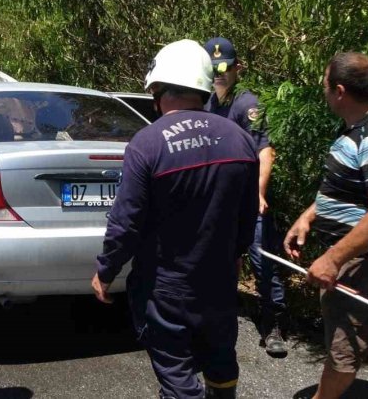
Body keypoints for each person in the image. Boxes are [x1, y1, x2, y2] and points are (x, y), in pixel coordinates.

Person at [93, 39, 259, 399]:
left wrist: (106, 270)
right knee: (220, 359)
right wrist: (230, 256)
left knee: (177, 372)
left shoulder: (147, 144)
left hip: (167, 287)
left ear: (157, 90)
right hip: (219, 280)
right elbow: (248, 220)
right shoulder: (240, 140)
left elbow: (126, 223)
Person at [284, 52, 368, 399]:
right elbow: (347, 189)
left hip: (365, 268)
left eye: (325, 86)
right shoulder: (362, 129)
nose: (324, 93)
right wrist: (309, 215)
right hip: (366, 266)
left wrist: (332, 259)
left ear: (340, 91)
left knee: (342, 356)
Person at [203, 37, 288, 357]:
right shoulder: (207, 104)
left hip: (247, 201)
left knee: (262, 261)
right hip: (217, 202)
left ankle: (274, 324)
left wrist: (258, 193)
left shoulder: (246, 104)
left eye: (224, 68)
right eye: (214, 70)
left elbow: (266, 152)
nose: (219, 74)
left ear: (238, 68)